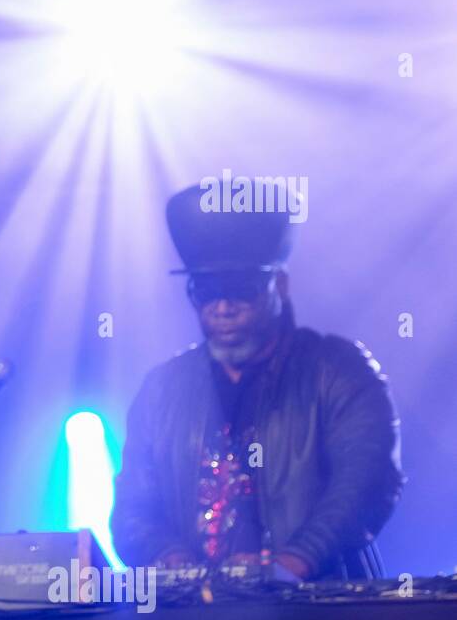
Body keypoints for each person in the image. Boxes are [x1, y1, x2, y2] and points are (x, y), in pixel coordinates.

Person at [111, 180, 402, 582]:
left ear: (279, 285)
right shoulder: (162, 389)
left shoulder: (336, 369)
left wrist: (295, 563)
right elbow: (131, 510)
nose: (223, 307)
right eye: (206, 290)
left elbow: (367, 482)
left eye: (241, 289)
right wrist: (171, 558)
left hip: (323, 616)